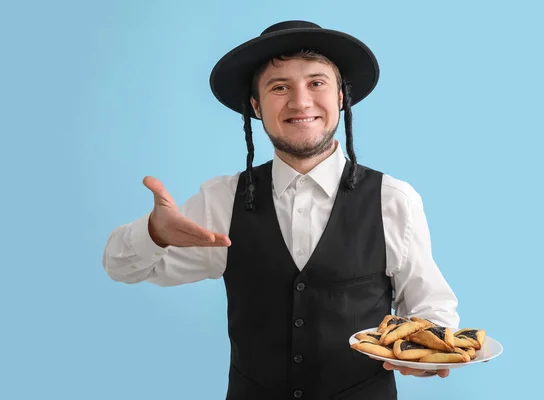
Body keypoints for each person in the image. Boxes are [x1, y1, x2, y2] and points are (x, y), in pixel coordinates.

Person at [102, 20, 459, 399]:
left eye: (316, 83)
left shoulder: (393, 199)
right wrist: (154, 233)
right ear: (256, 106)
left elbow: (431, 307)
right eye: (279, 87)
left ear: (341, 96)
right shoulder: (224, 199)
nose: (301, 102)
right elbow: (121, 266)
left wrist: (429, 354)